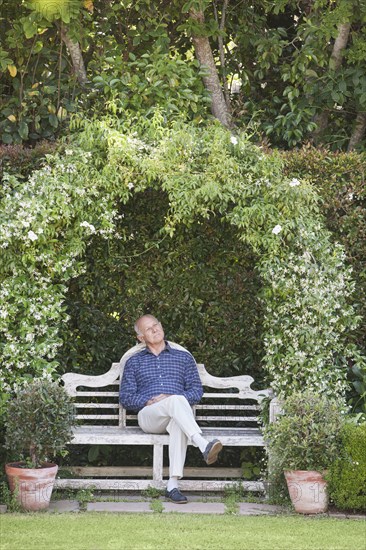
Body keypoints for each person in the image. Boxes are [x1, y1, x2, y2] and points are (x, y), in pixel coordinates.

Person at [119, 314, 223, 504]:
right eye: (149, 329)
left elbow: (196, 391)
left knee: (177, 415)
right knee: (176, 401)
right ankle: (201, 443)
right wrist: (148, 401)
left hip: (177, 415)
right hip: (149, 416)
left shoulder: (183, 358)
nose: (155, 329)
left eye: (156, 325)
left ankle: (172, 485)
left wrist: (171, 399)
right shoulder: (134, 362)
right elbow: (126, 397)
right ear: (141, 338)